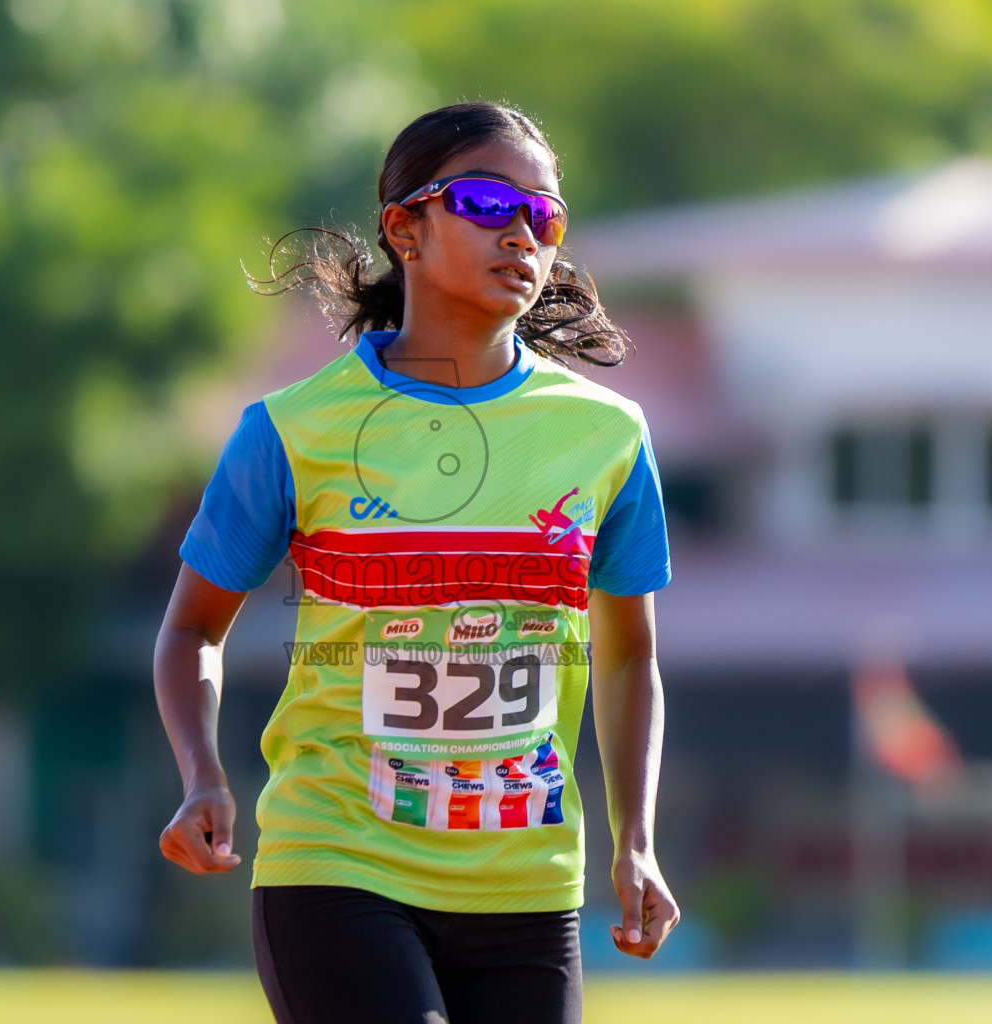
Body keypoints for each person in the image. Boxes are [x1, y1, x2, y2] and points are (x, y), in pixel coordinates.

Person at [155, 101, 678, 1024]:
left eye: (545, 216)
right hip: (339, 858)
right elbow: (193, 628)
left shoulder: (607, 436)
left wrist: (635, 840)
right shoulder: (292, 430)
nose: (523, 234)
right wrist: (202, 772)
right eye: (487, 203)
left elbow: (629, 654)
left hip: (526, 883)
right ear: (405, 226)